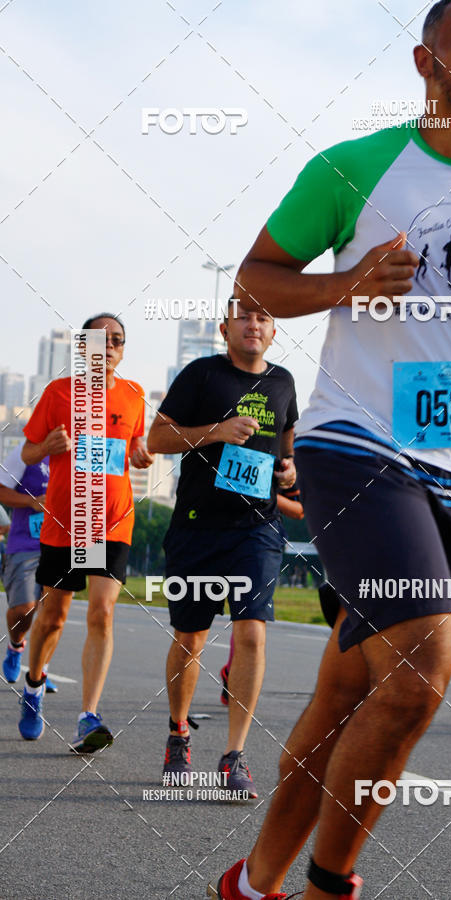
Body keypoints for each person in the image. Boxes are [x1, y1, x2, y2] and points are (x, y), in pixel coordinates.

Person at [208, 0, 451, 897]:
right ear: (427, 58)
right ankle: (326, 887)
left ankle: (253, 883)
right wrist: (348, 281)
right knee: (423, 670)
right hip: (357, 446)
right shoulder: (353, 168)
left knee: (347, 695)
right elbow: (256, 276)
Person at [147, 300, 298, 797]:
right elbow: (157, 439)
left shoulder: (284, 383)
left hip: (256, 528)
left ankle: (234, 755)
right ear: (224, 327)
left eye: (263, 317)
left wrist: (291, 471)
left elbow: (288, 448)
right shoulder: (201, 375)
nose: (253, 324)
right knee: (191, 639)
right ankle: (177, 733)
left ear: (273, 331)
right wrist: (215, 432)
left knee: (251, 633)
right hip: (196, 526)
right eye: (244, 316)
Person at [18, 313, 153, 750]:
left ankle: (87, 716)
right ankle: (34, 684)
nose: (110, 346)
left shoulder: (134, 395)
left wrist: (141, 455)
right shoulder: (58, 394)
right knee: (54, 616)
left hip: (113, 519)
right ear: (83, 348)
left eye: (118, 340)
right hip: (68, 519)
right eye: (101, 339)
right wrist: (47, 448)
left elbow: (134, 448)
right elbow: (28, 450)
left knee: (102, 613)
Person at [220, 485, 304, 706]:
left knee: (249, 618)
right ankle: (232, 672)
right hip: (214, 531)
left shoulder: (285, 459)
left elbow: (298, 509)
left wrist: (257, 491)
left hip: (260, 539)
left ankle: (233, 674)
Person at [0, 441, 57, 691]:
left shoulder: (87, 451)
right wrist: (31, 501)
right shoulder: (29, 449)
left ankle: (39, 672)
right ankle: (15, 645)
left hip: (65, 545)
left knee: (53, 616)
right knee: (23, 610)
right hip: (27, 543)